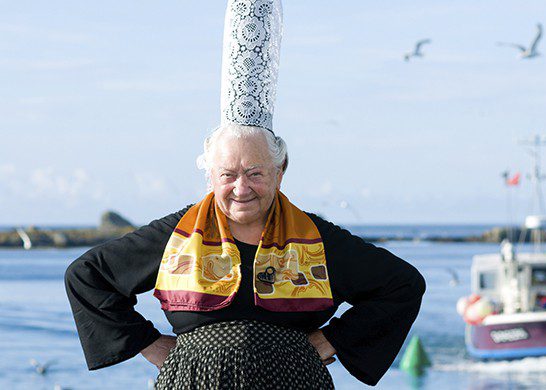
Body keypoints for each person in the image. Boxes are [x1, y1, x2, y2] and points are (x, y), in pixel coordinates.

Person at [65, 125, 426, 388]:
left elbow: (402, 286)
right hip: (192, 382)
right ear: (210, 177)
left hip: (295, 381)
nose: (241, 188)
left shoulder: (317, 238)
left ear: (279, 173)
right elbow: (87, 277)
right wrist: (148, 343)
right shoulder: (178, 234)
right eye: (228, 175)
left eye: (255, 174)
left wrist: (335, 339)